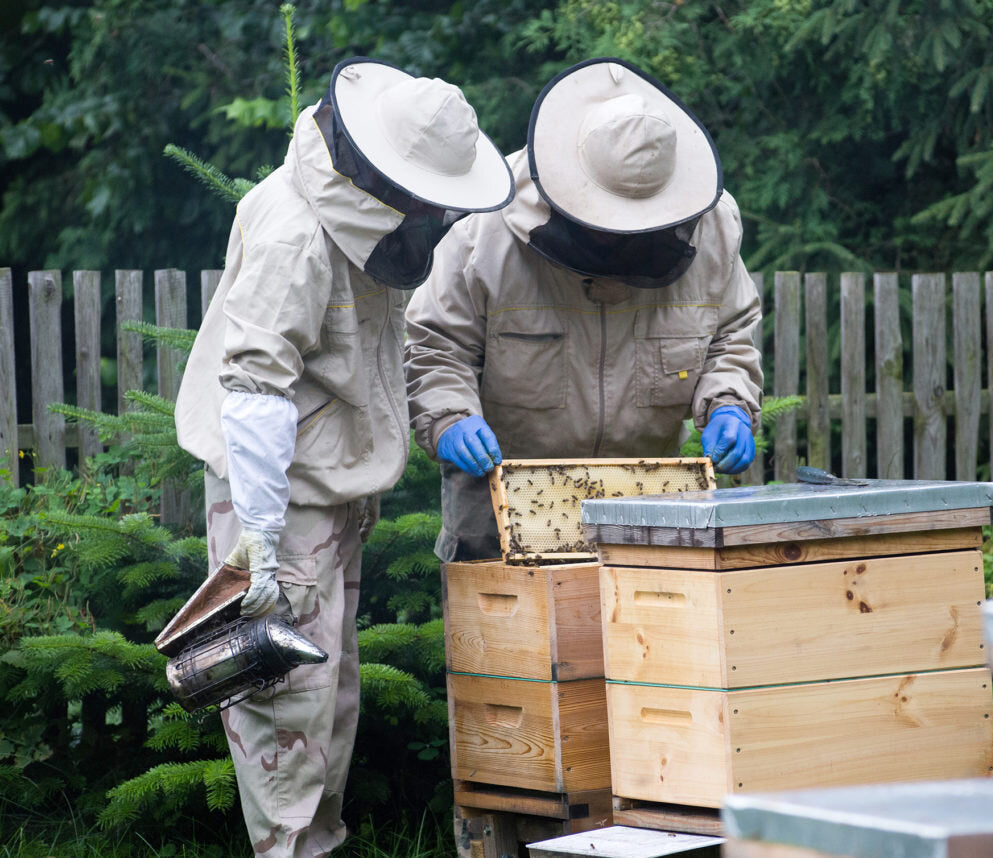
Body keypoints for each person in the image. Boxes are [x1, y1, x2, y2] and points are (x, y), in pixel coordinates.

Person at [173, 57, 513, 857]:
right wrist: (258, 540)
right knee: (286, 704)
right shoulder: (298, 232)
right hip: (281, 498)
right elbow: (254, 388)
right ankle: (292, 850)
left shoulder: (358, 213)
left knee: (327, 694)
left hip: (326, 486)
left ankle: (318, 842)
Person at [405, 57, 763, 563]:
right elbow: (436, 346)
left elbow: (729, 335)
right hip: (499, 512)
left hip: (648, 512)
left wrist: (729, 402)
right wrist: (450, 416)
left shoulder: (713, 233)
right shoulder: (483, 236)